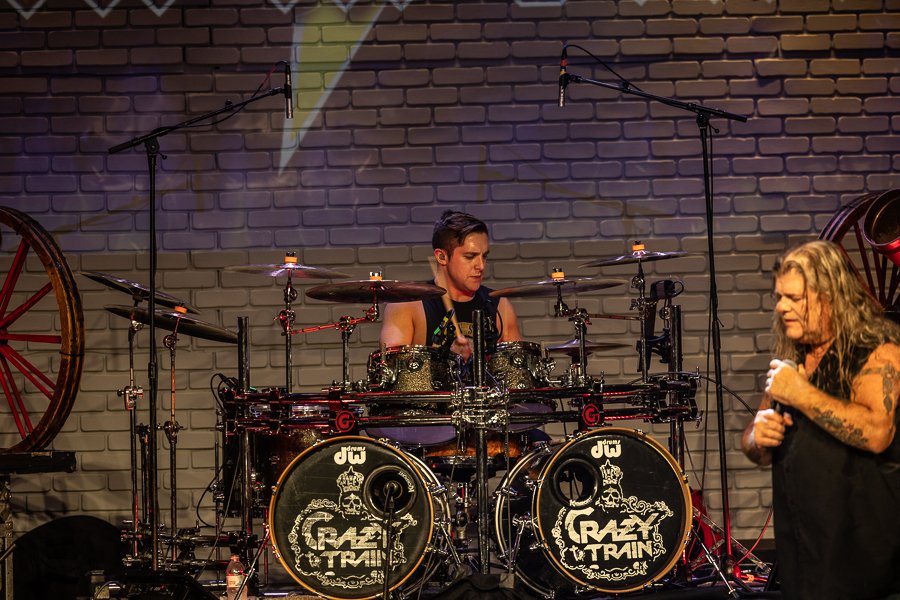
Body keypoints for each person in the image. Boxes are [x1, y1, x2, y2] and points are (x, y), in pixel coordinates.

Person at [741, 240, 900, 600]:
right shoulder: (793, 357)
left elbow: (877, 432)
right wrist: (757, 436)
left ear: (832, 298)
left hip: (865, 560)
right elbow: (754, 442)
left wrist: (800, 393)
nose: (782, 307)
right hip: (805, 554)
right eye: (779, 297)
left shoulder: (879, 350)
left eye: (795, 298)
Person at [380, 210, 522, 358]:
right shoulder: (408, 305)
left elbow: (517, 368)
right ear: (442, 257)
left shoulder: (500, 307)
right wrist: (450, 359)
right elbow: (392, 368)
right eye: (470, 256)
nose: (481, 266)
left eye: (484, 256)